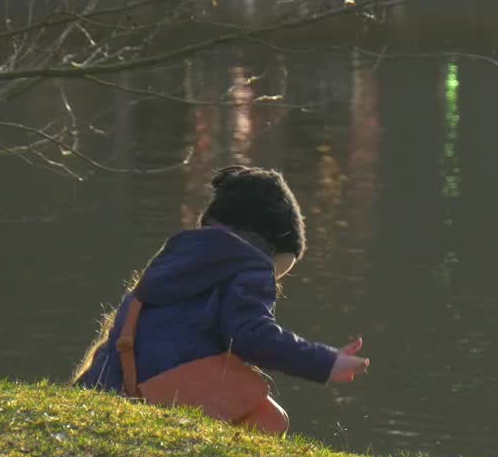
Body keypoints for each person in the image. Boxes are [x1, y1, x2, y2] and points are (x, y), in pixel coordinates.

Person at [72, 165, 369, 433]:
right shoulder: (250, 267)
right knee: (271, 419)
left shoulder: (174, 258)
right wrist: (325, 362)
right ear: (266, 248)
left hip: (115, 387)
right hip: (168, 403)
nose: (273, 283)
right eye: (276, 272)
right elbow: (254, 336)